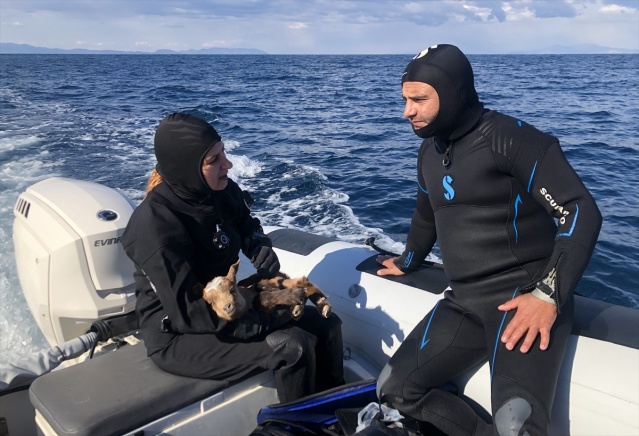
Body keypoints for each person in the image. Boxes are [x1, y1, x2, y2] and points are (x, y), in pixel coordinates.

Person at [375, 44, 602, 435]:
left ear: (454, 94)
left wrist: (548, 295)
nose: (406, 111)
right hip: (463, 301)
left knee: (516, 425)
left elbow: (580, 211)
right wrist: (408, 261)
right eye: (405, 99)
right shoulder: (429, 151)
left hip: (523, 298)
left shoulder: (510, 139)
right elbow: (426, 216)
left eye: (419, 99)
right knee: (392, 389)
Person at [121, 112, 345, 403]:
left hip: (232, 306)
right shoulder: (155, 225)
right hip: (179, 334)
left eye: (223, 152)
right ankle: (298, 426)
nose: (227, 164)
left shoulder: (221, 192)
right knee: (293, 345)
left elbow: (246, 223)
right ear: (185, 168)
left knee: (328, 324)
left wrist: (258, 244)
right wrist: (266, 320)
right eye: (213, 160)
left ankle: (337, 411)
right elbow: (190, 314)